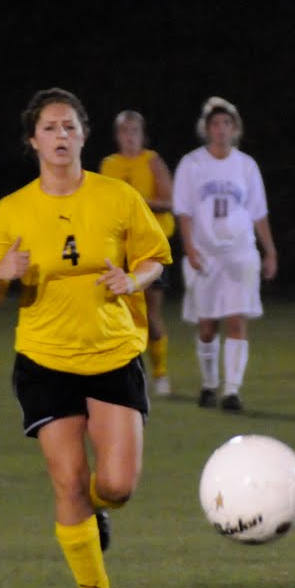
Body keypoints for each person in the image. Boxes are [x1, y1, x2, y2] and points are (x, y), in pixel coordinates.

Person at [0, 87, 171, 588]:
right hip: (44, 358)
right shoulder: (12, 211)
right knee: (67, 478)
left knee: (117, 486)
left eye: (69, 127)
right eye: (50, 127)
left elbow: (156, 257)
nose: (60, 135)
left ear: (84, 135)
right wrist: (2, 277)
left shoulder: (116, 197)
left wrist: (133, 276)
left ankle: (96, 512)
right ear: (32, 140)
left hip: (112, 353)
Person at [171, 95, 278, 412]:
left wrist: (270, 250)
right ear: (206, 129)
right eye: (215, 124)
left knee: (236, 321)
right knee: (206, 326)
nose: (220, 129)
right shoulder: (192, 164)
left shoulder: (246, 166)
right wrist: (189, 247)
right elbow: (184, 211)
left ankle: (232, 390)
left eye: (226, 124)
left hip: (240, 252)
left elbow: (258, 212)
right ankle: (208, 383)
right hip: (205, 254)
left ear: (235, 129)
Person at [96, 109, 177, 397]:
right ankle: (129, 372)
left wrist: (137, 203)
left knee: (152, 313)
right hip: (121, 250)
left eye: (134, 131)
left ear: (142, 135)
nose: (129, 136)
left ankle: (160, 373)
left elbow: (169, 202)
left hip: (150, 248)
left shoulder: (151, 161)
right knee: (123, 315)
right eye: (124, 131)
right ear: (117, 135)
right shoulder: (109, 165)